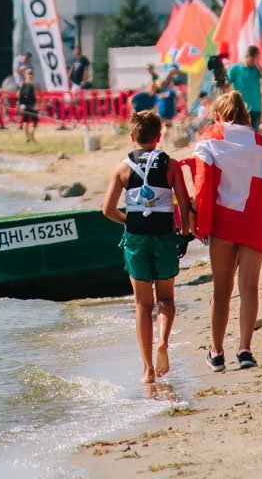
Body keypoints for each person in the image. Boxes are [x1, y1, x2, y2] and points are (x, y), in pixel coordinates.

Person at [191, 91, 262, 372]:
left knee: (221, 289)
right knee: (249, 286)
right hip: (253, 220)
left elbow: (202, 184)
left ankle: (217, 353)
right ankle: (244, 350)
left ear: (218, 115)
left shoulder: (210, 139)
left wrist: (198, 222)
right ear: (244, 113)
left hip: (225, 220)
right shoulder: (260, 143)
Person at [102, 109, 194, 384]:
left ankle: (148, 369)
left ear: (133, 137)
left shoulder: (121, 168)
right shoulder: (171, 165)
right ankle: (163, 341)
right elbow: (184, 205)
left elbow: (107, 210)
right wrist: (184, 234)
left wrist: (128, 220)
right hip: (164, 236)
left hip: (136, 239)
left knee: (143, 304)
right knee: (166, 300)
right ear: (159, 136)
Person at [226, 46, 262, 131]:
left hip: (255, 109)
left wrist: (259, 66)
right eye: (253, 60)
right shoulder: (235, 69)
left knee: (253, 134)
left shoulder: (256, 69)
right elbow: (226, 84)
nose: (254, 62)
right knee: (240, 132)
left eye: (256, 60)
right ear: (247, 56)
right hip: (240, 109)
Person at [18, 68, 39, 142]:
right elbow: (38, 94)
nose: (30, 75)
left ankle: (29, 136)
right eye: (29, 73)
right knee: (31, 121)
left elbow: (18, 94)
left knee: (28, 121)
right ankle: (30, 136)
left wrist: (19, 103)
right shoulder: (34, 84)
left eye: (31, 73)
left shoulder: (22, 83)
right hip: (31, 105)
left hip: (26, 105)